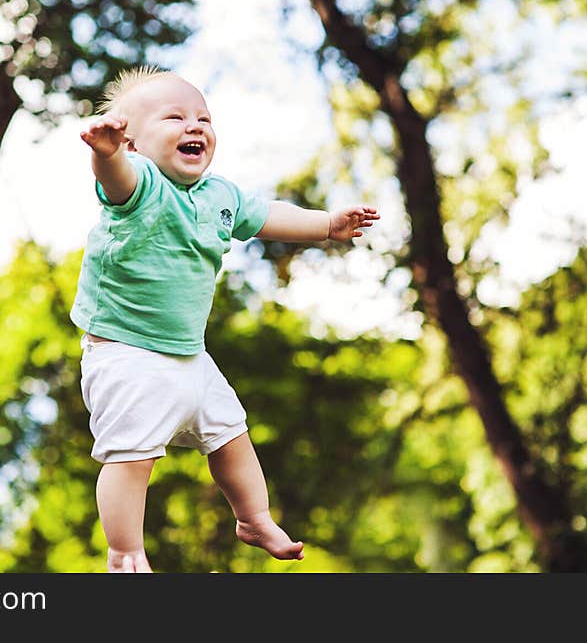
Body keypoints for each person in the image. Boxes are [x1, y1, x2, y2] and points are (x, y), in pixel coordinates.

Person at [71, 66, 379, 572]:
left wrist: (326, 225)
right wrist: (105, 155)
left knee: (232, 435)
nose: (195, 126)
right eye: (174, 117)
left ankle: (254, 517)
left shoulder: (220, 196)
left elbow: (269, 216)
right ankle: (124, 552)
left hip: (190, 355)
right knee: (131, 458)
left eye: (203, 118)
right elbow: (117, 180)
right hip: (127, 354)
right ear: (134, 142)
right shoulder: (141, 183)